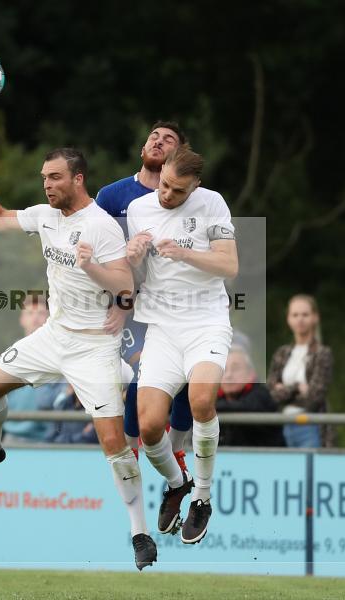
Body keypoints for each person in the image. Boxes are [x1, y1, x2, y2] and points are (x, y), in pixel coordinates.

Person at [0, 147, 157, 570]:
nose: (47, 185)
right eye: (44, 177)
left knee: (114, 446)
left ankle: (140, 532)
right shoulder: (45, 215)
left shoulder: (101, 226)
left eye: (55, 177)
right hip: (53, 335)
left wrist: (93, 267)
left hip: (93, 346)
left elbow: (124, 284)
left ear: (78, 179)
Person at [127, 144, 238, 545]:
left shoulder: (213, 204)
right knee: (150, 425)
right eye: (165, 185)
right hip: (162, 327)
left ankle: (203, 498)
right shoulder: (140, 209)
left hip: (206, 322)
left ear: (196, 187)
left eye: (178, 191)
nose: (167, 195)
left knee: (202, 401)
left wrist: (186, 251)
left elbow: (229, 265)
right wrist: (134, 255)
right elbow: (135, 271)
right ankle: (178, 483)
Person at [96, 122, 193, 466]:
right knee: (141, 374)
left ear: (177, 157)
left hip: (175, 305)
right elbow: (97, 253)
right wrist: (121, 303)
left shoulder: (188, 199)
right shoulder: (111, 196)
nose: (158, 141)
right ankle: (131, 450)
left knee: (190, 379)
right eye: (154, 136)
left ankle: (178, 447)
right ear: (142, 149)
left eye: (168, 140)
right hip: (129, 309)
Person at [267, 295, 334, 448]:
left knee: (310, 471)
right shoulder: (282, 353)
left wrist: (284, 390)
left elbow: (314, 398)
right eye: (295, 315)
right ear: (288, 319)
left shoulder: (322, 353)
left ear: (315, 317)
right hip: (281, 423)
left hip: (310, 424)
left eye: (305, 314)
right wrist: (298, 387)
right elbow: (270, 395)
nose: (300, 319)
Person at [2, 297, 56, 444]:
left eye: (41, 313)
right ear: (22, 319)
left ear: (50, 318)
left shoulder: (60, 354)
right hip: (12, 436)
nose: (35, 318)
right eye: (30, 313)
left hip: (48, 439)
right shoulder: (8, 355)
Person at [217, 347, 285, 447]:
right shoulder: (217, 398)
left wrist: (207, 406)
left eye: (235, 369)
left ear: (251, 374)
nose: (228, 375)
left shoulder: (260, 395)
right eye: (224, 369)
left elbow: (244, 407)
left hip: (267, 459)